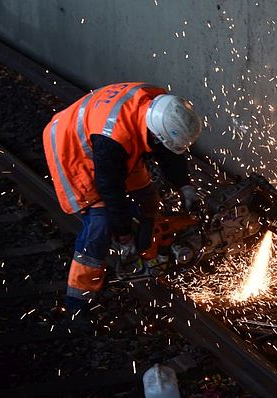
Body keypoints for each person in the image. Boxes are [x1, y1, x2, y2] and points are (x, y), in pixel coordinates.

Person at [43, 82, 202, 314]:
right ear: (155, 134)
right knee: (101, 220)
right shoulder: (113, 140)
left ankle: (153, 250)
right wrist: (125, 234)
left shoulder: (161, 110)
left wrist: (185, 187)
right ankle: (78, 301)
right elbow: (110, 188)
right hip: (71, 147)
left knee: (148, 197)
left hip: (116, 142)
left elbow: (169, 153)